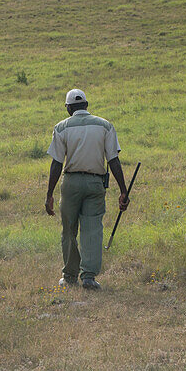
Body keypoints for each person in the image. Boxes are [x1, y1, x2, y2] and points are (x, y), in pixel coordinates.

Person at [44, 89, 129, 290]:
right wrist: (123, 190)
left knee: (69, 229)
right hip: (95, 183)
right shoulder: (105, 126)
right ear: (87, 105)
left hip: (71, 183)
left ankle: (70, 276)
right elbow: (113, 160)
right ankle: (89, 277)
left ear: (68, 108)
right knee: (92, 229)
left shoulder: (61, 127)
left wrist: (49, 194)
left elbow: (57, 163)